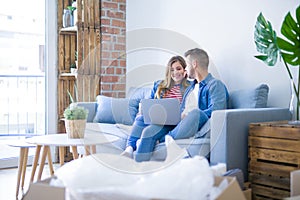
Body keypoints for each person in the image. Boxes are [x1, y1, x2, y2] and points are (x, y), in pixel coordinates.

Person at [135, 48, 229, 162]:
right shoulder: (191, 87)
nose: (185, 69)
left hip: (195, 120)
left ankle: (164, 139)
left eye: (187, 65)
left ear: (194, 64)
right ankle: (137, 169)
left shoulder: (215, 84)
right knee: (148, 132)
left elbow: (217, 110)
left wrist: (188, 116)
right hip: (179, 123)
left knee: (195, 113)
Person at [121, 55, 190, 158]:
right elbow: (150, 102)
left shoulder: (190, 87)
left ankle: (146, 142)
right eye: (172, 70)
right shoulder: (159, 85)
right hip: (157, 118)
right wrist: (143, 110)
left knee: (150, 130)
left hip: (173, 122)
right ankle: (129, 148)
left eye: (178, 69)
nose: (175, 72)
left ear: (184, 70)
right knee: (140, 117)